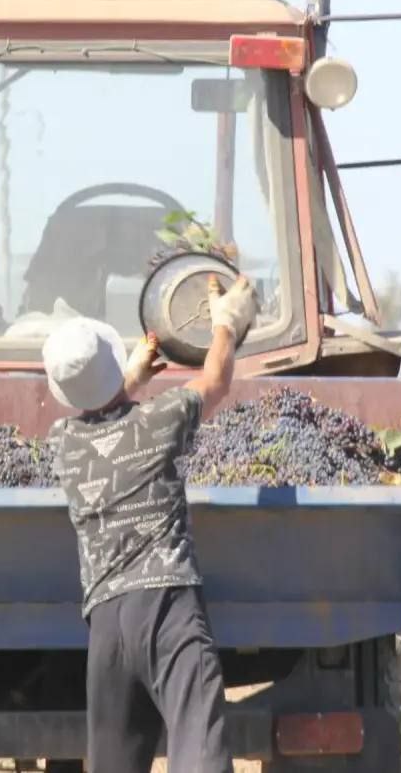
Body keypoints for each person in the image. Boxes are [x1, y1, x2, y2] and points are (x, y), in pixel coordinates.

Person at [42, 275, 259, 773]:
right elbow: (215, 380)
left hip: (106, 624)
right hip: (169, 610)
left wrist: (126, 382)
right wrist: (226, 323)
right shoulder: (159, 422)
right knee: (200, 753)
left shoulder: (63, 444)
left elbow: (103, 414)